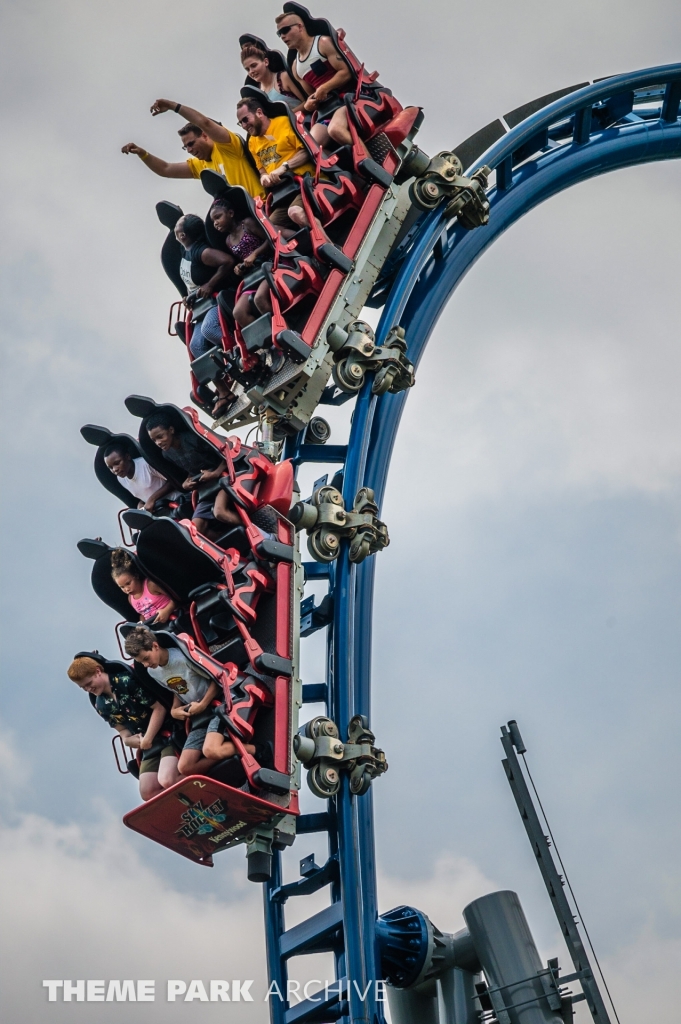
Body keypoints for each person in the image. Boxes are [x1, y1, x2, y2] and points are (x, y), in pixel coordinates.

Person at [124, 627, 255, 777]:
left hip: (219, 702)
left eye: (146, 658)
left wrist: (204, 703)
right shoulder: (153, 672)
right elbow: (176, 689)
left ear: (155, 646)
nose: (146, 665)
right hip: (199, 713)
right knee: (185, 767)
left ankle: (254, 750)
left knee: (210, 750)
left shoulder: (181, 658)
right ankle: (230, 757)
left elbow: (216, 677)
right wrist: (174, 709)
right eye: (141, 662)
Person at [67, 655, 181, 800]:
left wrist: (148, 738)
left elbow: (159, 708)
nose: (88, 689)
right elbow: (122, 730)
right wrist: (128, 740)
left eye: (89, 683)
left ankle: (198, 782)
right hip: (148, 744)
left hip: (168, 733)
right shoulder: (101, 705)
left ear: (98, 671)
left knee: (167, 779)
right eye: (83, 687)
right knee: (147, 792)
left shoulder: (126, 682)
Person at [121, 100, 264, 199]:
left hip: (262, 208)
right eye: (185, 147)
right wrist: (142, 154)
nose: (189, 150)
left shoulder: (227, 146)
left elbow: (205, 123)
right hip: (244, 220)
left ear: (204, 136)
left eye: (191, 144)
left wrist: (173, 106)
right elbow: (165, 169)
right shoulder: (200, 166)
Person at [145, 410, 240, 535]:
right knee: (195, 531)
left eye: (160, 437)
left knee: (220, 512)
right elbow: (191, 469)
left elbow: (225, 455)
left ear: (171, 430)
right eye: (154, 440)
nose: (158, 443)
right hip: (206, 487)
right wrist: (186, 482)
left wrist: (215, 473)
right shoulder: (167, 454)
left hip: (224, 477)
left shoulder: (193, 439)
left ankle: (258, 529)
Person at [274, 10, 353, 147]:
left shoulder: (322, 43)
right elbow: (313, 95)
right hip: (328, 109)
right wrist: (309, 105)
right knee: (312, 146)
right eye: (279, 33)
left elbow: (346, 72)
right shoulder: (295, 67)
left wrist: (325, 87)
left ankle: (371, 163)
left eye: (286, 30)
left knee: (335, 130)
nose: (282, 36)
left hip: (349, 99)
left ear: (300, 27)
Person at [235, 95, 315, 230]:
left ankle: (329, 245)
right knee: (270, 229)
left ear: (259, 113)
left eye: (245, 119)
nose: (244, 126)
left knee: (295, 212)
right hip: (283, 193)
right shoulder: (252, 142)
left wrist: (284, 167)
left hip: (305, 182)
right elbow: (262, 171)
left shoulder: (283, 123)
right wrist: (264, 178)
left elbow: (307, 151)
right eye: (240, 123)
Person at [208, 197, 273, 330]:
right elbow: (244, 259)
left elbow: (270, 238)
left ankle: (285, 331)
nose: (215, 223)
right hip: (254, 276)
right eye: (213, 221)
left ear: (230, 214)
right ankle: (269, 342)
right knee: (238, 312)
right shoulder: (228, 241)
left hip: (271, 265)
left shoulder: (247, 224)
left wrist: (255, 254)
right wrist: (240, 268)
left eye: (218, 217)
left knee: (260, 298)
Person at [103, 442, 176, 513]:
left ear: (127, 457)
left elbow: (173, 480)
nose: (115, 469)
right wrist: (140, 504)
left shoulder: (146, 465)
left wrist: (152, 499)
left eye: (117, 463)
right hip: (160, 512)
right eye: (110, 467)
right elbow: (145, 492)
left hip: (176, 503)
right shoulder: (121, 479)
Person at [110, 548, 177, 626]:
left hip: (174, 619)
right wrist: (142, 625)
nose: (126, 589)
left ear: (136, 576)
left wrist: (167, 611)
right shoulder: (131, 599)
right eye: (122, 587)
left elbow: (176, 597)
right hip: (157, 627)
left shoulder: (151, 585)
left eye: (128, 583)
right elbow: (143, 614)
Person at [240, 41, 305, 112]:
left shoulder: (283, 78)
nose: (251, 71)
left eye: (254, 65)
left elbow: (306, 101)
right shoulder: (258, 94)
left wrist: (288, 115)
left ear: (266, 62)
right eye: (247, 69)